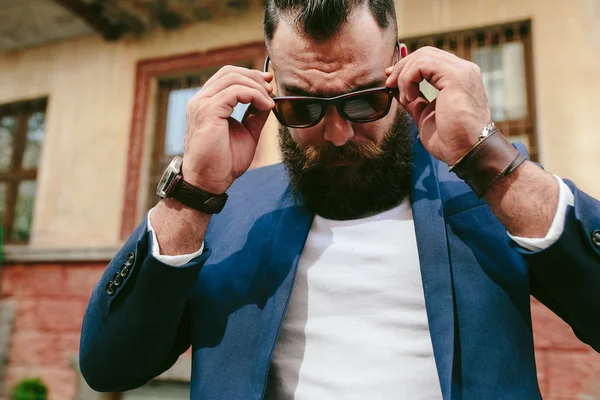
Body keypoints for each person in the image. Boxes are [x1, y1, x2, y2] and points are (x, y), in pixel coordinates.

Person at [79, 0, 600, 399]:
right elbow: (110, 366)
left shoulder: (483, 189)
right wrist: (192, 193)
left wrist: (486, 157)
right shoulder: (230, 210)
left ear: (400, 67)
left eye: (364, 101)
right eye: (303, 108)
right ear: (268, 83)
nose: (336, 135)